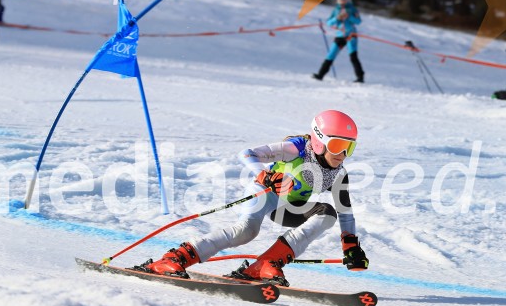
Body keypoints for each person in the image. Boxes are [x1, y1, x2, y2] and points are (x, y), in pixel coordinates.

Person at [139, 110, 369, 286]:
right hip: (265, 193)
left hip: (289, 208)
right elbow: (247, 153)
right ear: (319, 141)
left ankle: (266, 264)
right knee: (246, 232)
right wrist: (264, 175)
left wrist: (350, 246)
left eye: (349, 148)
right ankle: (174, 258)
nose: (343, 154)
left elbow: (345, 212)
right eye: (338, 145)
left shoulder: (338, 174)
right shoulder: (296, 149)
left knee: (327, 214)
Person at [313, 0, 365, 83]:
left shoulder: (352, 9)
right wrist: (337, 18)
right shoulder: (336, 10)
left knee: (353, 56)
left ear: (347, 0)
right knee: (330, 55)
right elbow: (329, 23)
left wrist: (349, 17)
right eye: (340, 2)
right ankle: (320, 75)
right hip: (340, 36)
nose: (342, 3)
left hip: (351, 36)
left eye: (344, 1)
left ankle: (360, 77)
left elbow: (358, 21)